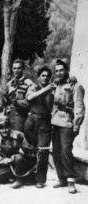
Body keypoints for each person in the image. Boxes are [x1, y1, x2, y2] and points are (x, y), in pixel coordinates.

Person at [51, 59, 85, 194]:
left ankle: (71, 180)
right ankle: (62, 178)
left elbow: (79, 107)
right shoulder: (57, 84)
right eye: (57, 70)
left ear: (67, 70)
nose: (59, 73)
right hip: (55, 122)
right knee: (57, 151)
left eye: (61, 70)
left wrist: (76, 126)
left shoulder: (76, 86)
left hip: (68, 123)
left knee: (66, 151)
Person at [24, 66, 55, 188]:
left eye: (47, 76)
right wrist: (46, 89)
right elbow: (30, 97)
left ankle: (40, 180)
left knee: (43, 151)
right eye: (43, 75)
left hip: (45, 122)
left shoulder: (53, 89)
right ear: (38, 77)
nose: (45, 78)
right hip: (32, 121)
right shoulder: (33, 87)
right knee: (31, 149)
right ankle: (30, 177)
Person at [0, 116, 35, 189]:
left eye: (6, 127)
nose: (4, 130)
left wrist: (27, 152)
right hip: (10, 165)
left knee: (18, 158)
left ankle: (20, 180)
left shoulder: (19, 135)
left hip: (22, 163)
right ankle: (19, 176)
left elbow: (28, 151)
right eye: (1, 128)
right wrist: (9, 160)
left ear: (9, 126)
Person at [4, 59, 33, 132]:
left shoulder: (28, 83)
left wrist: (17, 102)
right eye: (14, 68)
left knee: (18, 138)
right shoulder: (9, 84)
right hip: (9, 115)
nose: (16, 70)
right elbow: (5, 100)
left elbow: (29, 102)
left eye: (19, 68)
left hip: (21, 116)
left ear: (23, 69)